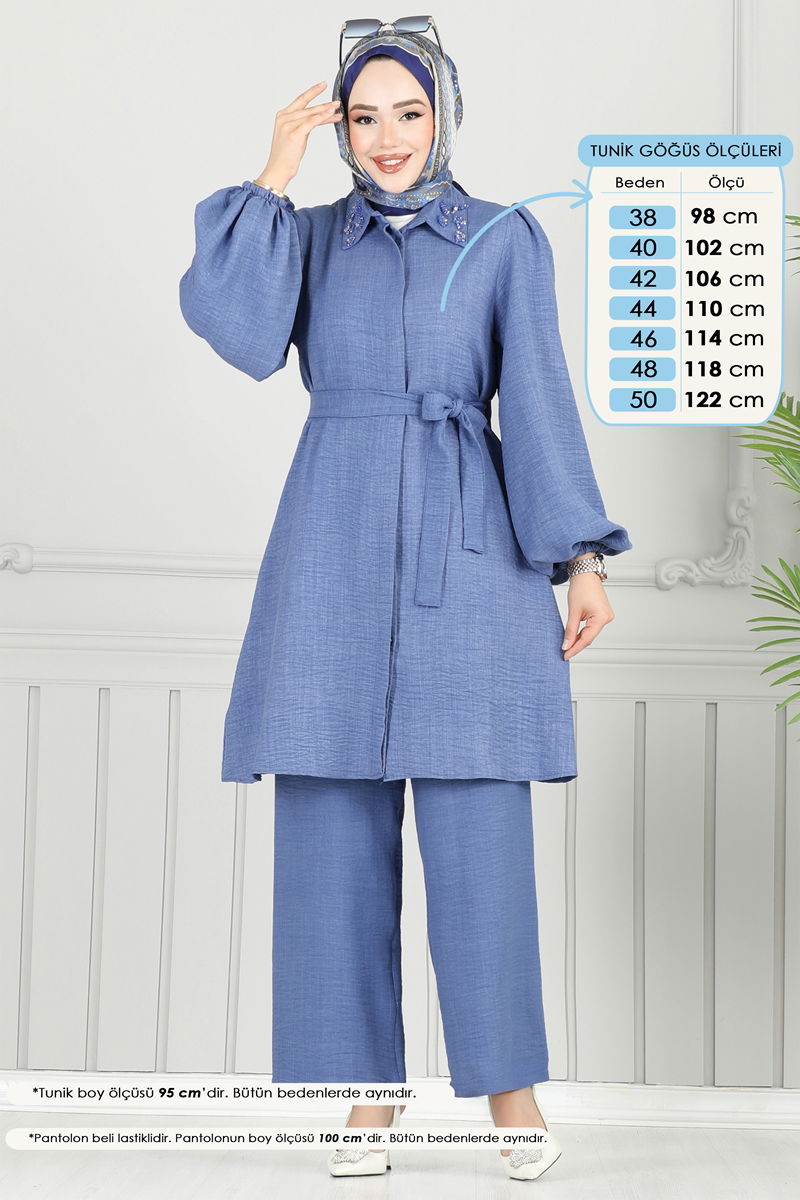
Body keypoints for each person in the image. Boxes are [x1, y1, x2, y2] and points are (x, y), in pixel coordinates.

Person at [178, 16, 632, 1182]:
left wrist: (579, 557)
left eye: (409, 113)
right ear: (339, 127)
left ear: (445, 116)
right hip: (327, 550)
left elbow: (537, 397)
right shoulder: (302, 239)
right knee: (328, 832)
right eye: (362, 117)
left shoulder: (502, 238)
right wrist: (272, 172)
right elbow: (235, 331)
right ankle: (365, 1107)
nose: (386, 139)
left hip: (469, 552)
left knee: (479, 836)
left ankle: (512, 1101)